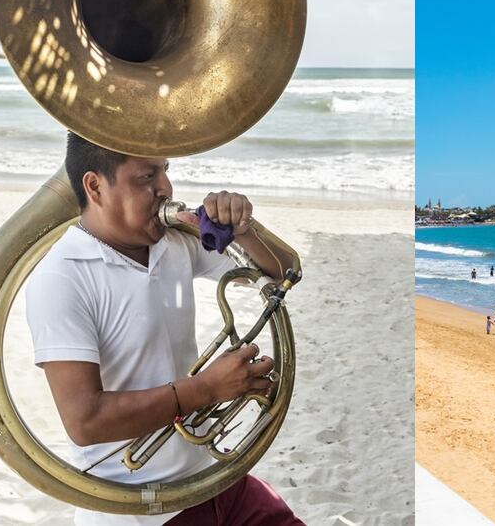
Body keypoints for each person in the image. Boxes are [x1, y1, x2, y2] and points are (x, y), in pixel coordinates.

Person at [25, 132, 303, 526]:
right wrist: (206, 389)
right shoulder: (60, 278)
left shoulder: (174, 242)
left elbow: (285, 271)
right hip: (142, 508)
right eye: (146, 177)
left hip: (214, 479)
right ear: (95, 186)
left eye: (165, 171)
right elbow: (84, 420)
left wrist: (243, 228)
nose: (165, 189)